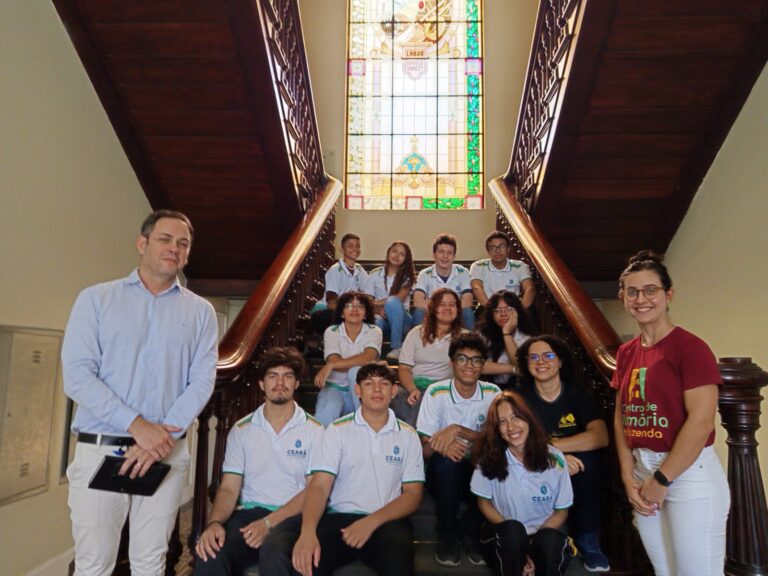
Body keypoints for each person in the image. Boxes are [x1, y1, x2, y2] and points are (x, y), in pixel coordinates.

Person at [62, 209, 219, 576]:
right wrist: (137, 426)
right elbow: (78, 376)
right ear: (142, 243)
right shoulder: (96, 300)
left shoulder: (201, 313)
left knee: (151, 562)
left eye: (183, 244)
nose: (174, 249)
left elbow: (201, 381)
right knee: (94, 564)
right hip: (102, 449)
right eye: (165, 239)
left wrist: (161, 435)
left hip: (166, 452)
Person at [611, 250, 729, 576]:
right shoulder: (625, 353)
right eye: (632, 291)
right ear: (623, 297)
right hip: (642, 471)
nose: (641, 299)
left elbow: (702, 420)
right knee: (665, 571)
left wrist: (663, 479)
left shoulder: (690, 347)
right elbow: (622, 417)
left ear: (668, 294)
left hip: (688, 475)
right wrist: (627, 475)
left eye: (651, 290)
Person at [194, 347, 323, 576]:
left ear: (295, 384)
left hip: (292, 516)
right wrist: (214, 523)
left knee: (275, 550)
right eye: (273, 376)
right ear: (262, 384)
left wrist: (269, 523)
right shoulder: (242, 429)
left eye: (288, 376)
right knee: (210, 550)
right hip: (249, 514)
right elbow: (228, 487)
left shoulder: (315, 430)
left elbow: (315, 490)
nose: (280, 382)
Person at [292, 363, 425, 576]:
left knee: (400, 563)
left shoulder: (408, 435)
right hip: (339, 518)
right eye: (368, 384)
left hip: (387, 519)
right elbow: (319, 485)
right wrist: (307, 531)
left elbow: (413, 495)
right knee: (307, 562)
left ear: (394, 391)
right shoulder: (337, 430)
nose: (377, 389)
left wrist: (370, 522)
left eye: (384, 384)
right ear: (358, 391)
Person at [516, 336, 610, 572]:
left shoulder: (576, 394)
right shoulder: (520, 397)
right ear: (526, 363)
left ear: (560, 362)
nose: (541, 362)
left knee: (588, 461)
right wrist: (554, 456)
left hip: (570, 462)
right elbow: (514, 440)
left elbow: (600, 436)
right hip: (530, 460)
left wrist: (555, 447)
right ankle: (532, 538)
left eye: (548, 356)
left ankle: (587, 537)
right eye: (534, 357)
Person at [416, 333, 501, 567]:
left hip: (478, 468)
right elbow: (424, 447)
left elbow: (500, 438)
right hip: (443, 474)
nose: (469, 365)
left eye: (476, 360)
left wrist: (458, 430)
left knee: (492, 461)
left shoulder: (493, 393)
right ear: (452, 362)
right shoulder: (435, 392)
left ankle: (472, 530)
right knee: (448, 461)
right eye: (462, 359)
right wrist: (443, 446)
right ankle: (448, 534)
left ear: (483, 365)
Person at [471, 390, 574, 576]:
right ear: (496, 429)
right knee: (513, 533)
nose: (511, 427)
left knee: (550, 542)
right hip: (504, 534)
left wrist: (533, 546)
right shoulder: (488, 458)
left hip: (542, 534)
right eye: (502, 422)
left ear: (528, 419)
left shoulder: (555, 458)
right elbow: (483, 502)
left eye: (516, 417)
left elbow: (561, 510)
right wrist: (520, 544)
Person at [394, 288, 467, 426]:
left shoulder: (465, 337)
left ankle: (412, 438)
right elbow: (404, 368)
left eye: (452, 305)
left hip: (442, 390)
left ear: (458, 309)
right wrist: (412, 390)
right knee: (393, 395)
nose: (447, 308)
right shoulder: (416, 333)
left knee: (427, 399)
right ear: (433, 308)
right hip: (414, 388)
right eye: (442, 304)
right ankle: (421, 433)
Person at [313, 291, 382, 426]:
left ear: (366, 313)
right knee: (325, 416)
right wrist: (333, 363)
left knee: (355, 371)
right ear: (341, 312)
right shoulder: (332, 331)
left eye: (360, 306)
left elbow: (368, 358)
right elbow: (333, 359)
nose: (355, 309)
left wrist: (332, 366)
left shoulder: (374, 330)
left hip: (363, 390)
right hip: (335, 388)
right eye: (349, 306)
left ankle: (366, 426)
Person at [310, 233, 372, 336]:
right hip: (326, 310)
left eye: (357, 246)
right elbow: (331, 303)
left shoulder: (360, 269)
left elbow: (369, 296)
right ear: (342, 249)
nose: (355, 248)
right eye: (350, 245)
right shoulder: (335, 270)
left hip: (347, 308)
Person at [475, 290, 537, 388]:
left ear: (517, 311)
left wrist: (507, 333)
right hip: (487, 386)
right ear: (492, 314)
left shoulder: (525, 337)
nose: (503, 314)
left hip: (516, 387)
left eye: (509, 309)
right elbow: (476, 364)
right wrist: (512, 369)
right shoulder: (483, 333)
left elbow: (522, 366)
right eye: (497, 310)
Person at [412, 233, 475, 329]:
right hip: (433, 314)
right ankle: (419, 343)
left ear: (454, 257)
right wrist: (440, 311)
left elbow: (468, 301)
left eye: (449, 253)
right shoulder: (424, 274)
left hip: (455, 314)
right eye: (441, 251)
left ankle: (471, 343)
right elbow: (417, 301)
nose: (445, 256)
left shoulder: (463, 272)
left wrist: (449, 310)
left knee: (467, 312)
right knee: (419, 312)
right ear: (434, 255)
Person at [369, 241, 417, 360]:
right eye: (394, 251)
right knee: (378, 321)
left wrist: (376, 304)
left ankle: (396, 347)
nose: (396, 256)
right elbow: (367, 301)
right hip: (383, 320)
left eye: (402, 254)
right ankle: (373, 355)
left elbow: (398, 298)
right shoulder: (374, 274)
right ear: (388, 252)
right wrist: (378, 310)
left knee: (393, 301)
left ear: (406, 259)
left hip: (402, 322)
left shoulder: (408, 277)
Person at [470, 231, 536, 310]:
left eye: (502, 246)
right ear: (488, 251)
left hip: (513, 308)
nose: (498, 251)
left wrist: (519, 311)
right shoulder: (478, 266)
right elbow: (476, 287)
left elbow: (530, 289)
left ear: (508, 249)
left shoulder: (520, 266)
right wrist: (492, 311)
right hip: (487, 307)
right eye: (493, 247)